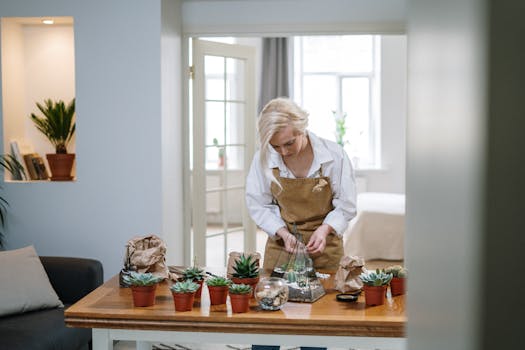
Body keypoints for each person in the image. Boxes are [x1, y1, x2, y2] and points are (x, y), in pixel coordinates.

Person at [245, 98, 357, 350]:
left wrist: (326, 228)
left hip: (325, 246)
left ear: (302, 128)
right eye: (276, 146)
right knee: (268, 320)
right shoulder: (263, 159)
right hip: (282, 243)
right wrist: (283, 233)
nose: (283, 152)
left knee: (318, 321)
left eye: (289, 143)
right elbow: (258, 204)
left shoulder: (333, 155)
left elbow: (347, 204)